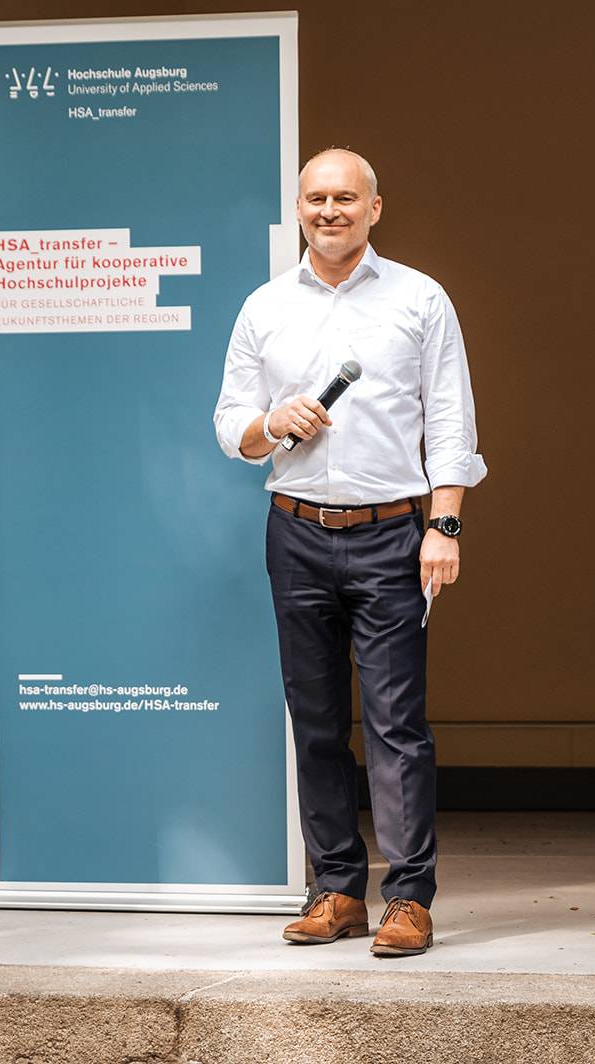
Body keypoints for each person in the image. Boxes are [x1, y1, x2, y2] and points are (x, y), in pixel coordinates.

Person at [213, 148, 486, 957]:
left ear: (375, 207)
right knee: (317, 721)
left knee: (397, 722)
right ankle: (335, 890)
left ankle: (408, 898)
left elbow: (451, 420)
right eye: (315, 199)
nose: (329, 211)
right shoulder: (265, 307)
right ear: (298, 208)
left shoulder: (419, 298)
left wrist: (445, 526)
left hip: (392, 534)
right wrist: (272, 424)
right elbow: (231, 424)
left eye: (344, 198)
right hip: (295, 531)